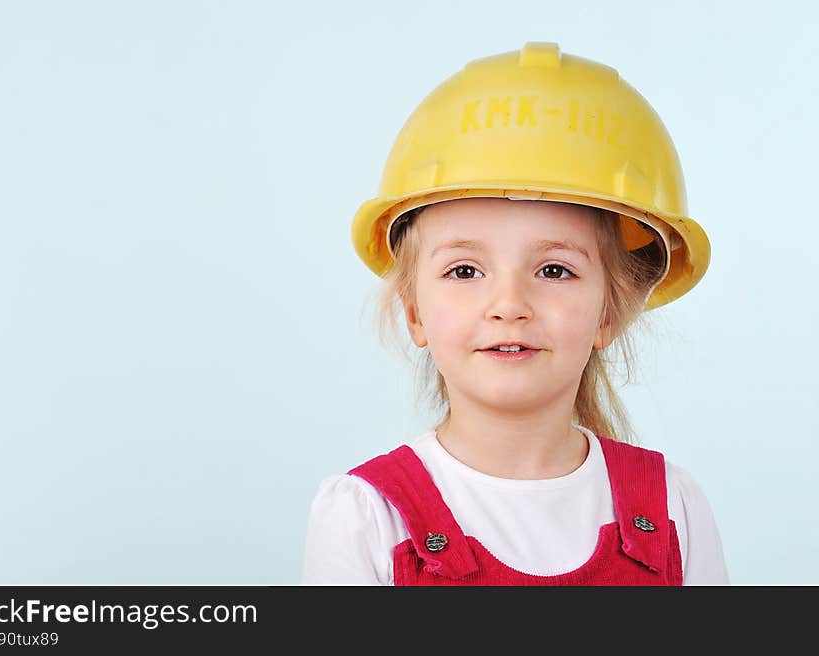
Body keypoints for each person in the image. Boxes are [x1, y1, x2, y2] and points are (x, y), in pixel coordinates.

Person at [301, 42, 728, 585]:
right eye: (464, 271)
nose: (509, 306)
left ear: (608, 313)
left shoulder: (674, 510)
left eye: (554, 270)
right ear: (414, 311)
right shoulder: (366, 518)